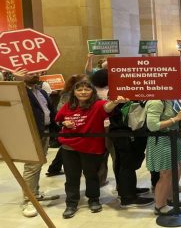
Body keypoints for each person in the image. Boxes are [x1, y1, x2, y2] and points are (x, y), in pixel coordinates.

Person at [56, 80, 129, 219]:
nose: (83, 92)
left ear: (92, 92)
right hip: (69, 146)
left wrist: (115, 102)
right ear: (74, 92)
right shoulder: (68, 106)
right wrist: (64, 123)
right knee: (71, 176)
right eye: (79, 89)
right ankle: (71, 203)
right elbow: (58, 119)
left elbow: (107, 107)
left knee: (91, 175)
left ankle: (94, 199)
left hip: (90, 146)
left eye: (86, 89)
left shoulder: (98, 104)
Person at [13, 69, 60, 218]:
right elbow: (14, 100)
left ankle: (35, 193)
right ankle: (28, 200)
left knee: (38, 164)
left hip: (44, 132)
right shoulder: (18, 90)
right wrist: (17, 81)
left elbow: (49, 111)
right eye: (30, 72)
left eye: (37, 72)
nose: (35, 74)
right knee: (32, 166)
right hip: (30, 133)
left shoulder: (41, 91)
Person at [145, 99, 181, 215]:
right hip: (161, 140)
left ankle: (170, 197)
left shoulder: (170, 100)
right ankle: (160, 205)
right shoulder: (156, 102)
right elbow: (152, 126)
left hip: (174, 137)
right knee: (166, 173)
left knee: (180, 164)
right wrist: (176, 119)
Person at [46, 74, 89, 177]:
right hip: (70, 124)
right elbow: (62, 110)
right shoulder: (69, 95)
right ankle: (56, 168)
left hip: (70, 123)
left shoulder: (66, 93)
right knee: (68, 148)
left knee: (66, 147)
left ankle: (54, 168)